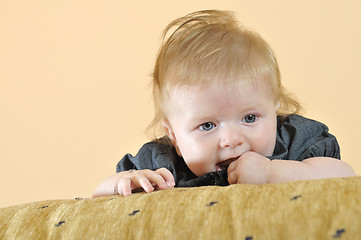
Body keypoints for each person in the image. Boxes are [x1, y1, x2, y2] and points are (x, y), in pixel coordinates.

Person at [92, 10, 356, 198]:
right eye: (207, 125)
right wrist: (121, 184)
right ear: (173, 136)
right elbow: (98, 196)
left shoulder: (294, 140)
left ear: (274, 110)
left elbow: (345, 177)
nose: (230, 140)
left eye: (250, 118)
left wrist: (271, 172)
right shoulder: (160, 163)